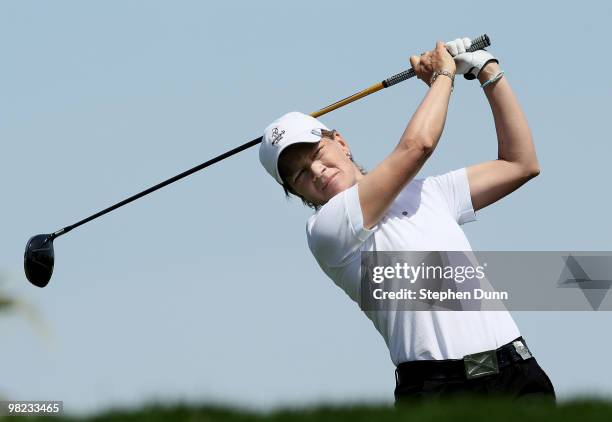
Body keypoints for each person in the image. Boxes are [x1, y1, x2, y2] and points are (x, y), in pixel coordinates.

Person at [258, 37, 555, 401]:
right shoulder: (326, 230)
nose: (317, 171)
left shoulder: (429, 193)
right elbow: (418, 146)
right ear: (298, 194)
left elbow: (520, 164)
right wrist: (443, 76)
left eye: (317, 152)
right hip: (438, 387)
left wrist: (486, 70)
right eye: (300, 175)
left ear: (341, 142)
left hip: (516, 369)